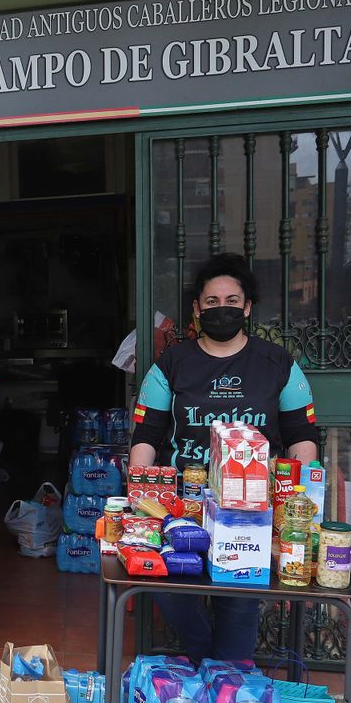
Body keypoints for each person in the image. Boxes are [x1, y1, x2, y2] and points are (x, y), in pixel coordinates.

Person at [129, 253, 321, 664]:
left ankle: (227, 682)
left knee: (239, 599)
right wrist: (138, 492)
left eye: (232, 301)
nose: (222, 310)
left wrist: (297, 507)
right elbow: (147, 434)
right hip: (183, 506)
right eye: (211, 303)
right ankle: (215, 665)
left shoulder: (277, 365)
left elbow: (302, 437)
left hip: (252, 509)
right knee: (172, 589)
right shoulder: (171, 365)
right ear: (197, 309)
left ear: (248, 307)